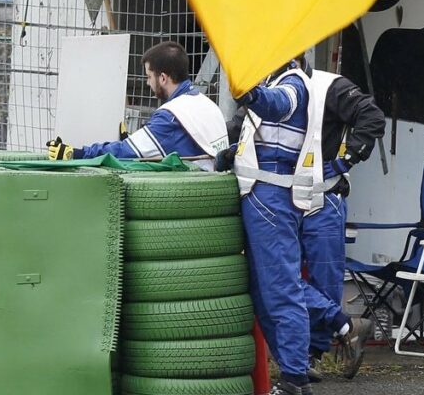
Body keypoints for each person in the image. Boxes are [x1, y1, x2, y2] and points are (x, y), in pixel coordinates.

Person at [218, 53, 384, 394]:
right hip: (287, 193)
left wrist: (344, 161)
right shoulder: (272, 82)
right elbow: (241, 127)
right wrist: (231, 149)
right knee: (278, 282)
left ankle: (307, 360)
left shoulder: (321, 85)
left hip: (321, 197)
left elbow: (371, 117)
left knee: (309, 284)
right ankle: (334, 335)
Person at [47, 41, 228, 171]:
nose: (148, 83)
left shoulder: (170, 117)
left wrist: (77, 154)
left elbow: (124, 152)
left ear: (163, 78)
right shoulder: (207, 104)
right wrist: (138, 139)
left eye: (149, 77)